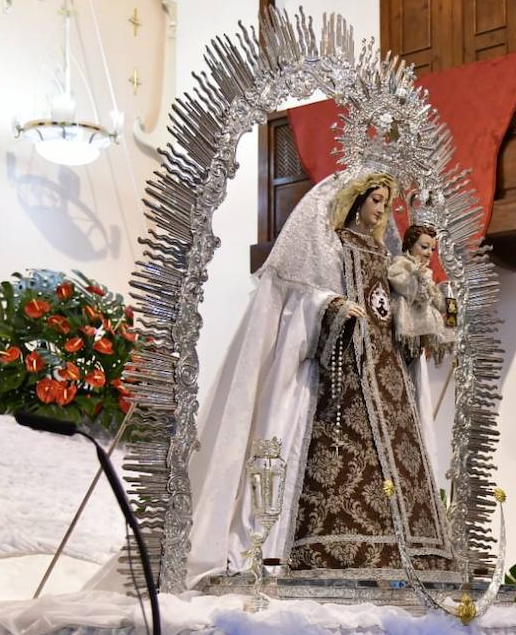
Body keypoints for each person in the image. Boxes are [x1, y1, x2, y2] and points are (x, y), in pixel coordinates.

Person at [185, 171, 453, 585]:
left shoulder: (387, 257)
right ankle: (326, 553)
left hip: (388, 374)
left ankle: (412, 557)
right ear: (356, 200)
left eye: (385, 202)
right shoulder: (336, 246)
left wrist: (421, 315)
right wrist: (333, 307)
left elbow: (397, 307)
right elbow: (301, 299)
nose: (381, 209)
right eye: (375, 199)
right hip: (345, 374)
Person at [387, 224, 455, 360]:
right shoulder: (401, 265)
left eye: (432, 249)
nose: (429, 252)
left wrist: (449, 297)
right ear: (410, 245)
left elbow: (438, 302)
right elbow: (413, 294)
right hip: (405, 328)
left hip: (420, 331)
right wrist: (417, 276)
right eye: (424, 247)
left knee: (418, 367)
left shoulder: (426, 273)